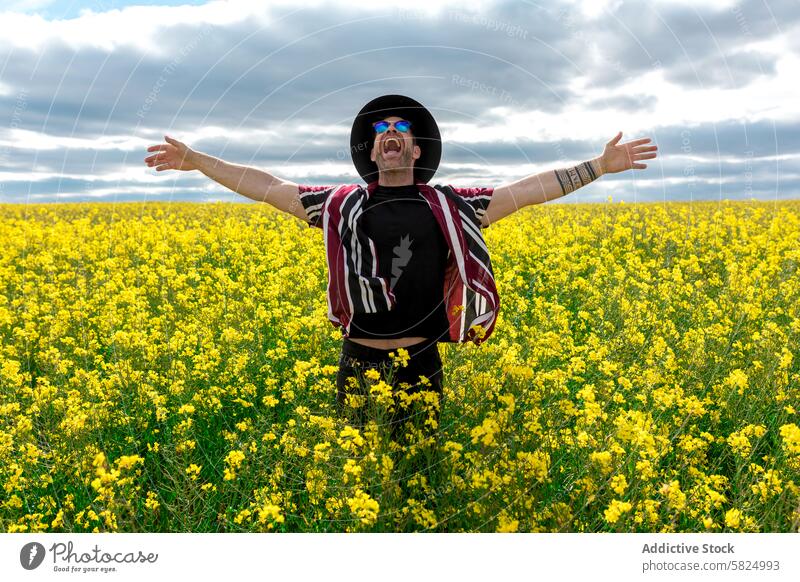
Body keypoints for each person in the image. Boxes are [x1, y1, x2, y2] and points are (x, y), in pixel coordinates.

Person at [143, 94, 658, 445]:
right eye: (380, 131)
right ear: (371, 151)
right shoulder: (340, 204)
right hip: (357, 363)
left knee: (420, 473)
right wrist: (196, 159)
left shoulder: (450, 205)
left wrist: (599, 166)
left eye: (401, 129)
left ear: (415, 149)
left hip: (422, 363)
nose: (390, 133)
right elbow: (265, 185)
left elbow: (526, 192)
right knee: (354, 473)